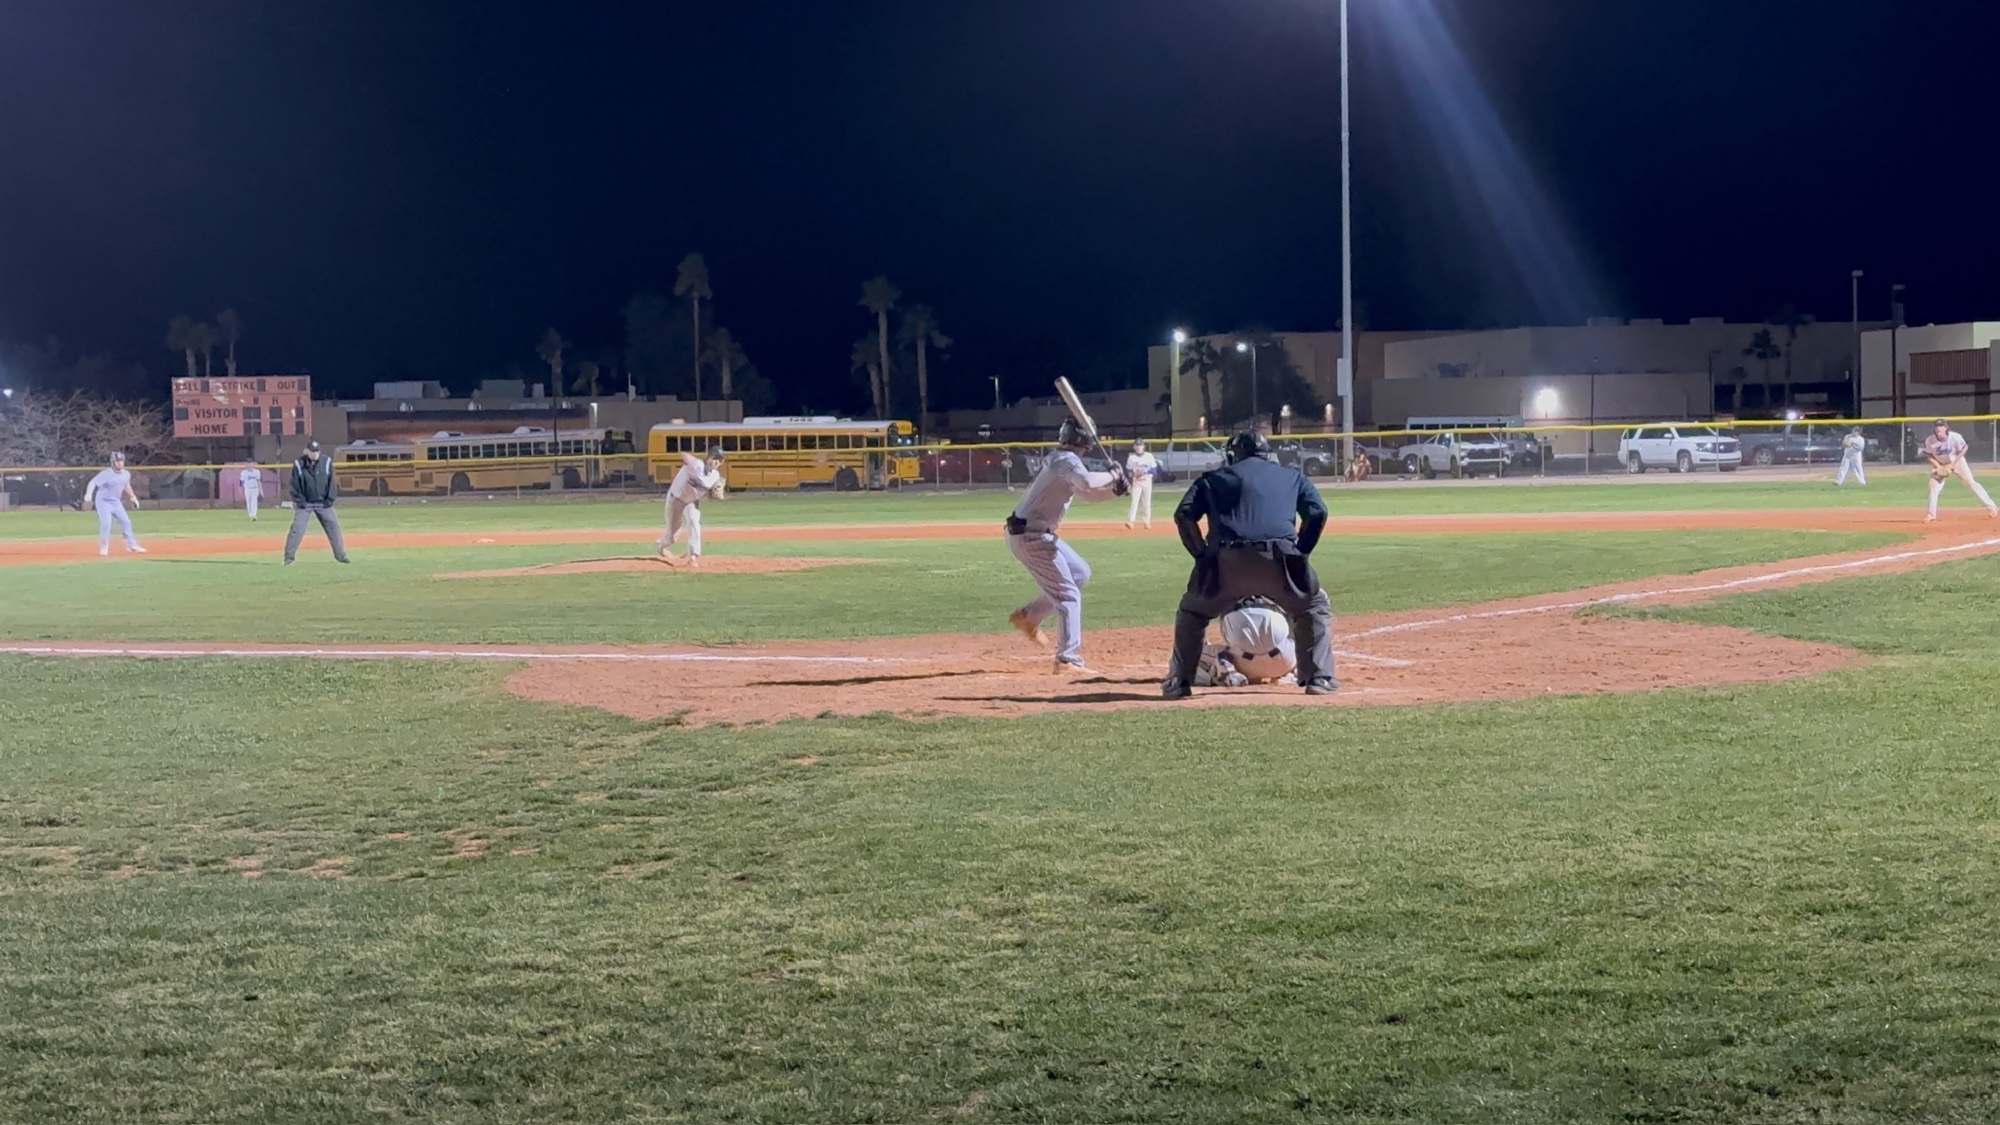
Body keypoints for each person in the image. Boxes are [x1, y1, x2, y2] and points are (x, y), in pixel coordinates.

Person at [1162, 428, 1336, 699]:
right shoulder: (1292, 476)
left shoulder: (1213, 478)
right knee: (1312, 607)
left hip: (1225, 561)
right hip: (1279, 559)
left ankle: (1179, 681)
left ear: (1234, 454)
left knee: (1193, 613)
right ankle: (1319, 679)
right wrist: (1301, 552)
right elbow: (1318, 512)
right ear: (1267, 454)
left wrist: (1202, 555)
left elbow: (1184, 515)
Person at [1005, 418, 1127, 674]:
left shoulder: (1063, 462)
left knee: (1080, 572)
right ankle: (1067, 659)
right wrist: (1113, 474)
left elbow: (1089, 494)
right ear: (1086, 441)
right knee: (1068, 595)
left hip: (1033, 534)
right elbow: (1087, 482)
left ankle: (1029, 616)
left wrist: (1114, 491)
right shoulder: (1065, 460)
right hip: (1032, 536)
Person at [1193, 598, 1297, 687]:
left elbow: (1199, 615)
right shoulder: (1280, 587)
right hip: (1284, 663)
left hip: (1241, 665)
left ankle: (1227, 672)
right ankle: (1294, 674)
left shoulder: (1226, 588)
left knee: (1191, 657)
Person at [284, 440, 351, 565]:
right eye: (312, 451)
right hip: (305, 504)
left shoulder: (327, 462)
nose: (314, 454)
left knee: (334, 528)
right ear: (306, 451)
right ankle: (289, 558)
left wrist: (329, 500)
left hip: (324, 503)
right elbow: (294, 485)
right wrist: (301, 501)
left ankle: (341, 556)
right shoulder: (299, 463)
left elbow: (332, 483)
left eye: (317, 451)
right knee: (297, 529)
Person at [1921, 418, 1999, 522]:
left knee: (1971, 483)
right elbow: (1929, 455)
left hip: (1957, 461)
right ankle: (1931, 515)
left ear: (1946, 427)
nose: (1939, 428)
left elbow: (1964, 448)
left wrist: (1952, 464)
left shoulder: (1955, 437)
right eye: (1937, 426)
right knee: (1933, 486)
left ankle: (1992, 507)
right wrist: (1938, 466)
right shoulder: (1930, 440)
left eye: (1941, 426)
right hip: (1940, 464)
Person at [660, 448, 726, 566]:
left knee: (694, 521)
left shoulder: (715, 476)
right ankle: (661, 546)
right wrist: (687, 459)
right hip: (675, 499)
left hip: (691, 502)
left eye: (719, 460)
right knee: (673, 536)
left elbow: (709, 496)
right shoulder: (697, 465)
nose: (716, 462)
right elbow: (683, 455)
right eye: (714, 458)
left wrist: (715, 496)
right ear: (708, 457)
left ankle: (693, 556)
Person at [83, 451, 146, 556]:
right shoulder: (106, 474)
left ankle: (132, 545)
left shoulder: (126, 474)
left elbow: (126, 485)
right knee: (106, 523)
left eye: (121, 461)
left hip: (116, 502)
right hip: (103, 502)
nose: (120, 463)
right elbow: (93, 482)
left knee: (126, 522)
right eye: (117, 461)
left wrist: (133, 497)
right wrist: (88, 494)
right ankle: (104, 547)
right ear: (113, 462)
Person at [1124, 438, 1159, 529]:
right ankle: (1131, 521)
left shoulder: (1149, 456)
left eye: (1140, 445)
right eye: (1137, 445)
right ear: (1134, 447)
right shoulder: (1131, 457)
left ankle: (1147, 521)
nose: (1138, 447)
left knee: (1146, 502)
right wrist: (1131, 474)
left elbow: (1154, 471)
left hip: (1147, 481)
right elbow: (1128, 470)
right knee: (1134, 501)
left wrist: (1144, 472)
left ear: (1143, 447)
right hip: (1137, 482)